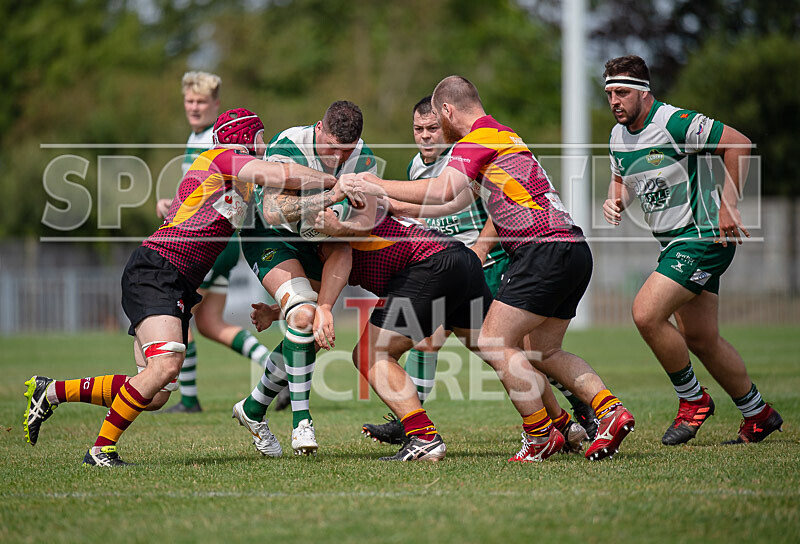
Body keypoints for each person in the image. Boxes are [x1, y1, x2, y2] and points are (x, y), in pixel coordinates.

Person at [23, 108, 342, 466]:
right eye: (260, 138)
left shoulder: (240, 185)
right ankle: (100, 450)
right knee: (167, 364)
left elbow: (272, 211)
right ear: (244, 138)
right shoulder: (221, 157)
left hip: (174, 280)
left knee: (156, 391)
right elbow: (275, 172)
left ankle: (49, 392)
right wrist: (332, 182)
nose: (265, 145)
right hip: (159, 269)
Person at [340, 76, 635, 462]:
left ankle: (540, 436)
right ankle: (609, 411)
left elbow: (444, 189)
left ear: (447, 111)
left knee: (496, 343)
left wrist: (377, 184)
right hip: (572, 247)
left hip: (538, 249)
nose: (434, 129)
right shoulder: (504, 136)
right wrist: (398, 207)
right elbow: (453, 202)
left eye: (437, 120)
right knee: (543, 351)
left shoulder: (476, 139)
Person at [601, 55, 783, 445]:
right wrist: (614, 199)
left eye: (622, 92)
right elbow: (624, 180)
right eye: (610, 93)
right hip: (674, 244)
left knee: (646, 314)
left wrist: (729, 204)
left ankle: (692, 400)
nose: (615, 100)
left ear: (644, 93)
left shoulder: (673, 122)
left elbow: (738, 144)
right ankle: (758, 414)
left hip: (700, 238)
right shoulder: (618, 137)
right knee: (701, 339)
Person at [231, 100, 378, 456]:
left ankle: (253, 409)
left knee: (308, 332)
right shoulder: (289, 145)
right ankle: (302, 422)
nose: (337, 160)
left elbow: (368, 221)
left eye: (345, 153)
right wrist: (330, 195)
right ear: (318, 129)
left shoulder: (364, 158)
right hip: (269, 235)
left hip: (316, 245)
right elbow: (272, 209)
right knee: (302, 314)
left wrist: (345, 225)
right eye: (330, 149)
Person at [156, 71, 273, 414]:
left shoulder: (215, 137)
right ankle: (274, 369)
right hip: (222, 239)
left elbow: (233, 185)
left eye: (201, 101)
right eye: (189, 100)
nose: (194, 107)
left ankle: (188, 399)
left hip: (210, 239)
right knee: (209, 323)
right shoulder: (196, 136)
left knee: (180, 316)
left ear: (215, 104)